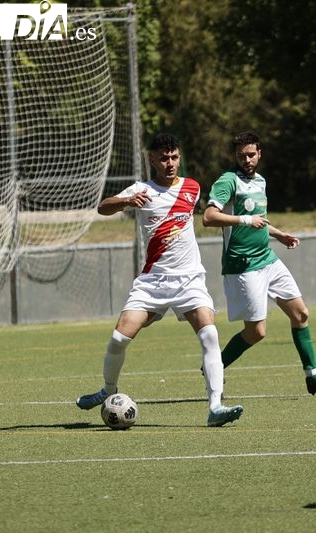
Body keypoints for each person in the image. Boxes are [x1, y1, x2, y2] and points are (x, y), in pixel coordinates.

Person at [75, 133, 243, 427]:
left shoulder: (192, 187)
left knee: (210, 334)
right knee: (119, 338)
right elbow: (103, 207)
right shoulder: (142, 189)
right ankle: (108, 390)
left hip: (189, 280)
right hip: (153, 282)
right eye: (163, 158)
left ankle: (215, 406)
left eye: (174, 157)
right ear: (152, 160)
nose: (169, 163)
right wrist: (126, 201)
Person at [203, 131, 316, 395]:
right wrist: (246, 221)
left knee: (300, 313)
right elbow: (209, 217)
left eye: (251, 154)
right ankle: (215, 367)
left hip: (268, 259)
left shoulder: (260, 181)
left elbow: (260, 221)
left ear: (259, 154)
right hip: (243, 264)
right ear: (235, 156)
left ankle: (313, 376)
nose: (246, 160)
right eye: (241, 155)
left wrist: (279, 234)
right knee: (257, 332)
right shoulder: (228, 181)